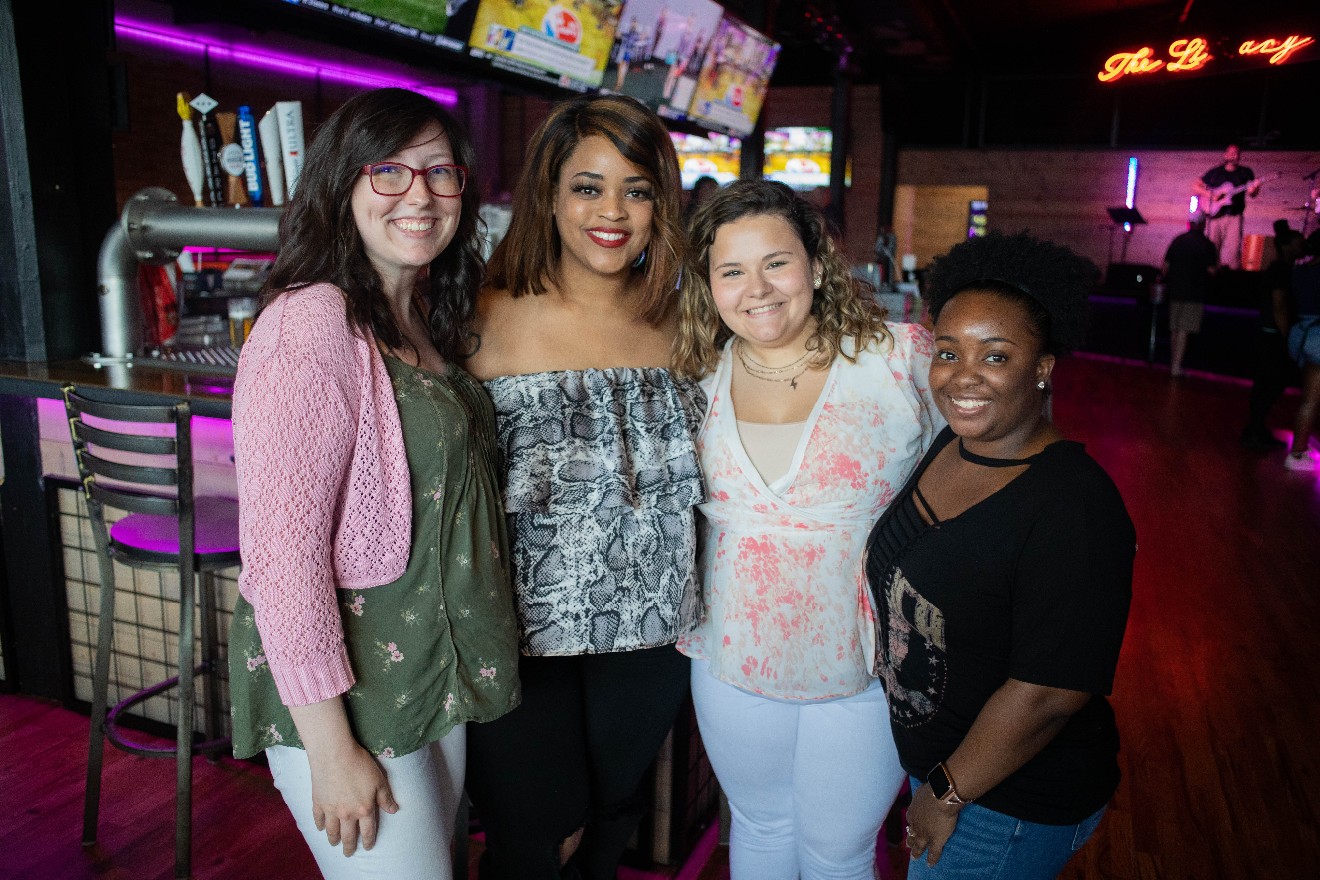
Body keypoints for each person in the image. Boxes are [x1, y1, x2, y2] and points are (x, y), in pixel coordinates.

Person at [227, 88, 520, 879]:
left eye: (440, 172)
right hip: (348, 688)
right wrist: (330, 748)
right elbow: (282, 557)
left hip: (427, 669)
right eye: (389, 171)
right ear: (341, 184)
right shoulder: (309, 324)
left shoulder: (418, 314)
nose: (419, 195)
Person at [672, 179, 940, 880]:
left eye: (776, 263)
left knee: (838, 851)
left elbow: (973, 478)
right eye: (732, 271)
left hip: (867, 658)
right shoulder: (695, 376)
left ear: (817, 266)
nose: (756, 288)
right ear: (709, 285)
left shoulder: (897, 358)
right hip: (734, 651)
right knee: (760, 827)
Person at [462, 94, 701, 880]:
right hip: (519, 629)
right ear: (550, 195)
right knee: (535, 832)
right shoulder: (482, 315)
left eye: (638, 190)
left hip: (653, 624)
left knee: (611, 815)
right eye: (588, 187)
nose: (613, 212)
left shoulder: (690, 319)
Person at [865, 231, 1135, 880]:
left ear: (1043, 367)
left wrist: (946, 792)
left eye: (996, 356)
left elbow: (1050, 693)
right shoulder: (953, 445)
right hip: (942, 768)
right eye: (949, 352)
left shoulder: (1074, 506)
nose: (964, 376)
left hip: (1003, 803)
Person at [1241, 224, 1304, 451]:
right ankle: (1254, 431)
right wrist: (1289, 338)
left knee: (1266, 384)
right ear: (1286, 247)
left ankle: (1255, 430)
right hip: (1273, 335)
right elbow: (1279, 306)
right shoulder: (1281, 271)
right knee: (1272, 384)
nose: (1302, 247)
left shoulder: (1279, 269)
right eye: (1298, 243)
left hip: (1268, 333)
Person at [1161, 213, 1219, 377]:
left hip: (1175, 291)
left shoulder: (1177, 241)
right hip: (1194, 293)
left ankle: (1173, 364)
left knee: (1174, 329)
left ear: (1189, 224)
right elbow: (1212, 270)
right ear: (1203, 224)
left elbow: (1164, 267)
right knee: (1184, 329)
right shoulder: (1207, 244)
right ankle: (1176, 368)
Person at [1192, 143, 1261, 268]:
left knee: (1233, 252)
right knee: (1212, 250)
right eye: (1231, 153)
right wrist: (1211, 195)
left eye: (1236, 153)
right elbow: (1196, 186)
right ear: (1225, 155)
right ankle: (1212, 274)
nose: (1233, 156)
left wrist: (1255, 188)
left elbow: (1252, 194)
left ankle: (1231, 276)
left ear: (1239, 156)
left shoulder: (1245, 172)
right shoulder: (1215, 172)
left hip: (1234, 216)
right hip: (1214, 217)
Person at [1285, 231, 1320, 471]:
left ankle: (1300, 449)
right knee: (1311, 401)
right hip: (1317, 336)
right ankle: (1296, 454)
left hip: (1301, 333)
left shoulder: (1299, 270)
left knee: (1309, 398)